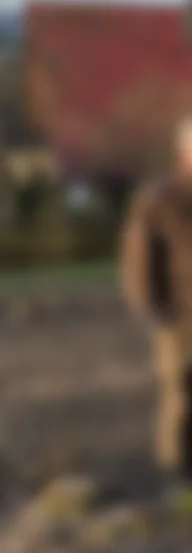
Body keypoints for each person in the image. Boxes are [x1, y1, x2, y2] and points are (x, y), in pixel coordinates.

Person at [121, 117, 192, 481]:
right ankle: (172, 472)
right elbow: (138, 264)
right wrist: (154, 311)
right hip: (175, 317)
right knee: (177, 395)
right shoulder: (159, 201)